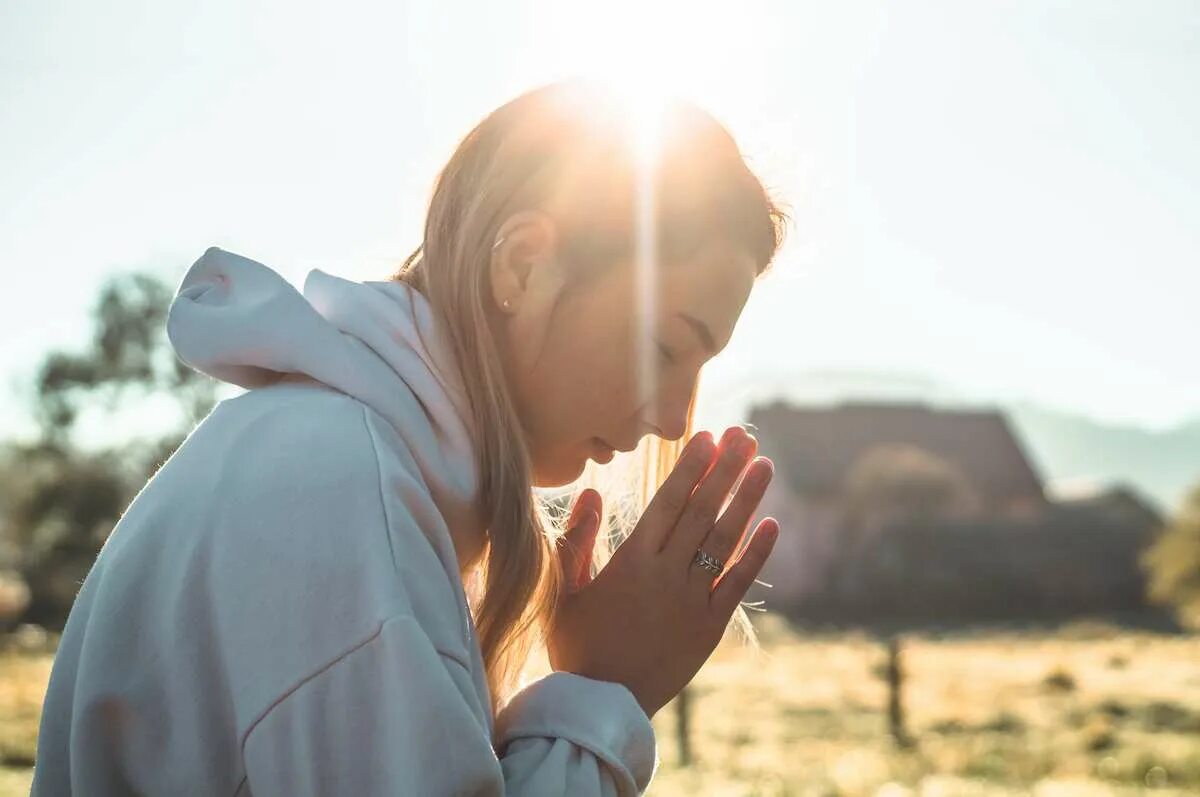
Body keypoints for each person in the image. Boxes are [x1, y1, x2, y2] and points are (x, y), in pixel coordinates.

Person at [32, 78, 789, 795]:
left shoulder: (350, 466)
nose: (672, 415)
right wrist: (601, 697)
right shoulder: (337, 496)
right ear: (523, 266)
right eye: (665, 346)